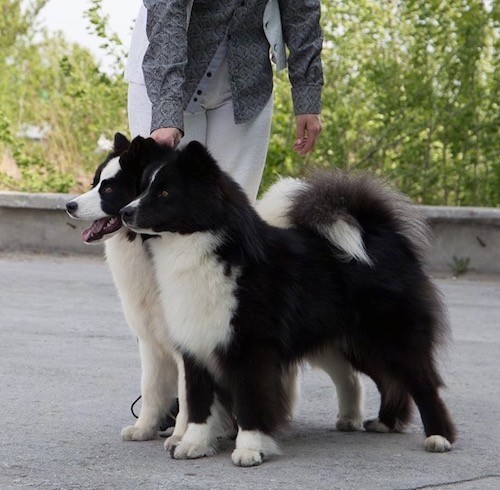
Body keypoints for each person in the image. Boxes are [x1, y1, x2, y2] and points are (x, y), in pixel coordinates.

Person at [125, 0, 323, 201]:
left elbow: (302, 11)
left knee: (232, 211)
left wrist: (307, 94)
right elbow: (167, 14)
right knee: (162, 208)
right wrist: (166, 113)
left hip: (247, 86)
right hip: (165, 76)